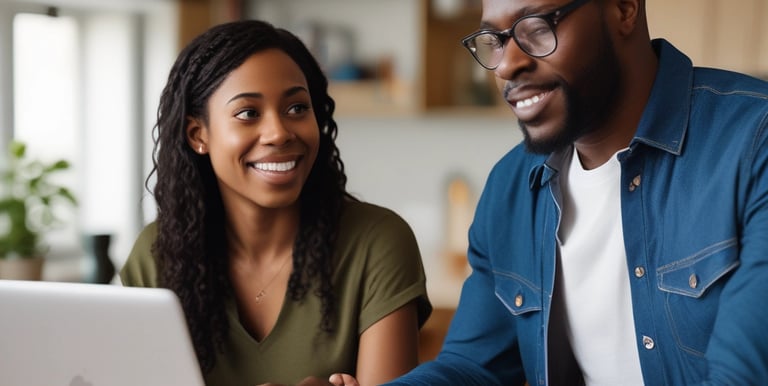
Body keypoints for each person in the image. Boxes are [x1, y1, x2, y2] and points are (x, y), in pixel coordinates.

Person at [379, 0, 768, 385]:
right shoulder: (510, 185)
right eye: (494, 40)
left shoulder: (754, 141)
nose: (506, 65)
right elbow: (473, 367)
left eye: (536, 27)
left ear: (623, 8)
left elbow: (743, 376)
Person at [119, 19, 432, 386]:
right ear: (197, 134)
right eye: (249, 113)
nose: (279, 132)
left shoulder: (376, 242)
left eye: (297, 108)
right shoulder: (156, 256)